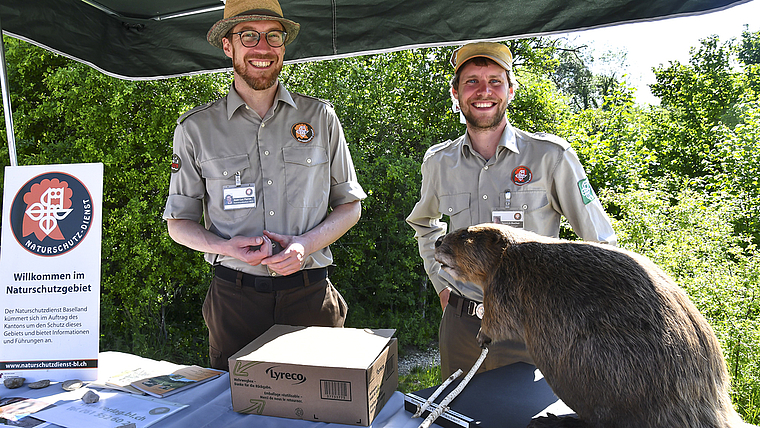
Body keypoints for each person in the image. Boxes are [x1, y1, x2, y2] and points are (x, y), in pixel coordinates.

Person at [163, 0, 366, 371]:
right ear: (228, 46)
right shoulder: (195, 129)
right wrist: (227, 247)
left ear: (283, 46)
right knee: (234, 411)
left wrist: (305, 245)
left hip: (310, 296)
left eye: (273, 36)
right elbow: (179, 223)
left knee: (322, 412)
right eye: (248, 36)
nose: (262, 47)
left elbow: (349, 205)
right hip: (235, 302)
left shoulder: (320, 117)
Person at [406, 42, 616, 379]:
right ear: (456, 94)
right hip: (461, 328)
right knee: (456, 416)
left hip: (531, 328)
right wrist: (441, 282)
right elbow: (424, 223)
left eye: (495, 81)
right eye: (471, 81)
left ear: (511, 90)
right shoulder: (439, 163)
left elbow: (602, 245)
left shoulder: (551, 157)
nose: (483, 91)